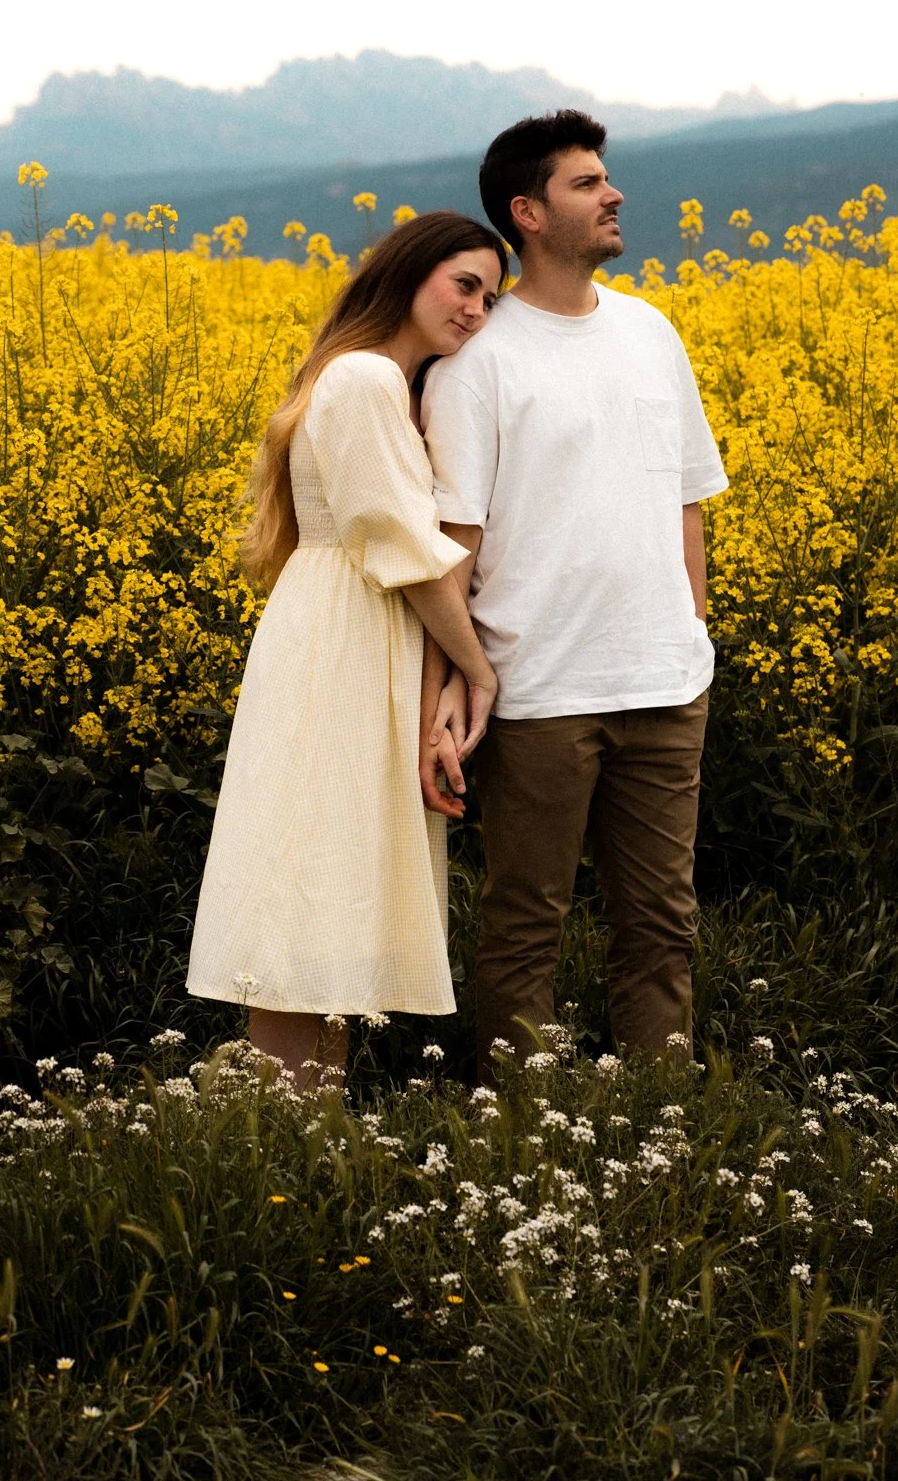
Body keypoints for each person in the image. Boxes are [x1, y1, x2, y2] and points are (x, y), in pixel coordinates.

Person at [419, 110, 728, 1068]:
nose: (613, 194)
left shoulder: (650, 332)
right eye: (587, 183)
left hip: (664, 682)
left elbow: (687, 497)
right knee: (524, 922)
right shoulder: (478, 359)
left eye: (607, 178)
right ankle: (521, 1130)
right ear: (530, 212)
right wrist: (447, 691)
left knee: (661, 920)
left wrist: (691, 628)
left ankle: (660, 1114)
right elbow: (454, 541)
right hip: (539, 686)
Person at [187, 211, 508, 1088]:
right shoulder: (365, 377)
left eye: (491, 294)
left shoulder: (378, 382)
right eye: (463, 283)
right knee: (312, 863)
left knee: (324, 871)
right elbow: (399, 549)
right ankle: (273, 1118)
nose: (478, 309)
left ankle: (289, 1115)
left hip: (350, 631)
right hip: (347, 638)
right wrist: (478, 673)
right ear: (406, 275)